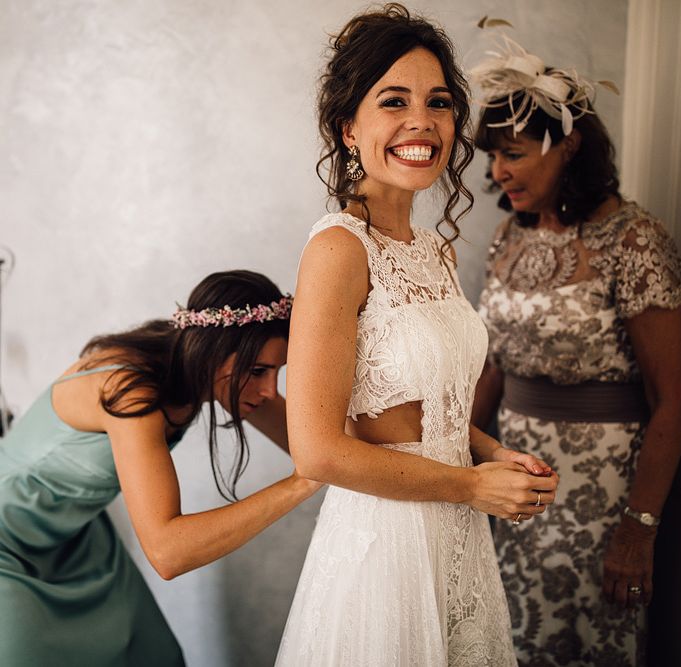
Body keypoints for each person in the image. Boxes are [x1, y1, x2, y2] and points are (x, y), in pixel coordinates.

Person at [275, 6, 559, 666]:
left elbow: (431, 408)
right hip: (387, 543)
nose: (420, 122)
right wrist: (469, 486)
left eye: (437, 102)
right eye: (392, 101)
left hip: (455, 536)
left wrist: (491, 454)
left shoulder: (433, 250)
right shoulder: (338, 251)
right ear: (349, 127)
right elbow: (316, 449)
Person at [470, 33, 681, 666]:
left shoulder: (635, 240)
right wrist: (457, 465)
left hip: (600, 492)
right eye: (494, 158)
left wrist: (637, 529)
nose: (497, 172)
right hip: (513, 486)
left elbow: (672, 399)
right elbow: (495, 363)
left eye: (512, 154)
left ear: (567, 146)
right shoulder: (509, 236)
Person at [0, 270, 321, 666]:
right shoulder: (133, 390)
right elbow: (168, 553)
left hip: (77, 539)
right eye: (258, 372)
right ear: (213, 351)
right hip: (6, 547)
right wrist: (298, 485)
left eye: (277, 371)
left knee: (156, 658)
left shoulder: (205, 373)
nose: (270, 390)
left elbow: (317, 445)